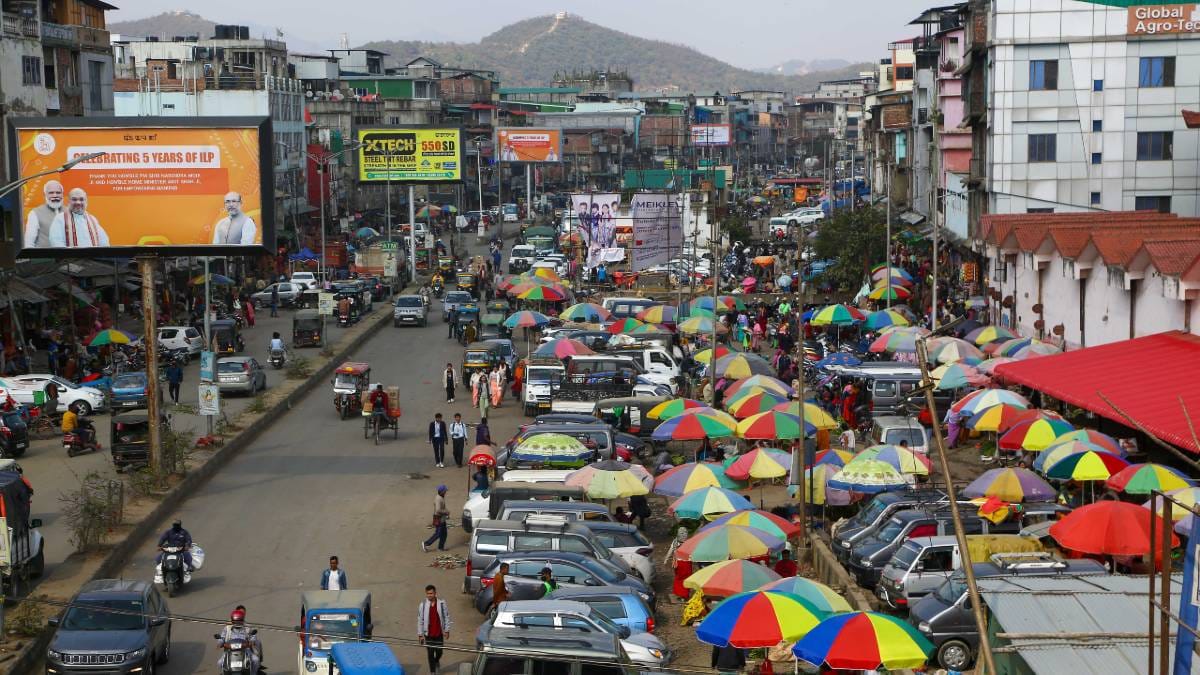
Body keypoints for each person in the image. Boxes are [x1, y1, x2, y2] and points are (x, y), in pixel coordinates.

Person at [417, 584, 451, 674]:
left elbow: (446, 616)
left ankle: (437, 661)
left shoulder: (442, 603)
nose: (429, 595)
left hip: (439, 634)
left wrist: (447, 630)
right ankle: (432, 671)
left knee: (439, 652)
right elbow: (420, 620)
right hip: (428, 635)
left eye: (431, 593)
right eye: (428, 593)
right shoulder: (423, 605)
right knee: (430, 654)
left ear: (435, 593)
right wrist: (420, 635)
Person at [216, 607, 262, 673]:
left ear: (242, 620)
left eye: (239, 621)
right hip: (229, 650)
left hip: (245, 649)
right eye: (235, 621)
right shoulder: (227, 628)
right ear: (232, 620)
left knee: (256, 660)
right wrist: (220, 642)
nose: (237, 623)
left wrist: (252, 641)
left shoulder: (247, 627)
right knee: (220, 663)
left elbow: (253, 636)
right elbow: (222, 638)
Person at [23, 179, 64, 249]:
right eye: (51, 193)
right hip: (45, 258)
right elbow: (29, 243)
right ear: (44, 195)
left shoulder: (69, 212)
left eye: (58, 192)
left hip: (67, 258)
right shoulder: (35, 213)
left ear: (62, 194)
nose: (55, 195)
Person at [421, 485, 450, 552]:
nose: (446, 492)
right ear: (442, 491)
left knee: (444, 534)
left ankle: (440, 547)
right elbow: (438, 510)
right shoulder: (438, 499)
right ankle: (426, 543)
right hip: (439, 519)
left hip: (442, 518)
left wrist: (446, 514)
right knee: (438, 533)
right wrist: (446, 512)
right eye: (445, 491)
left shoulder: (441, 497)